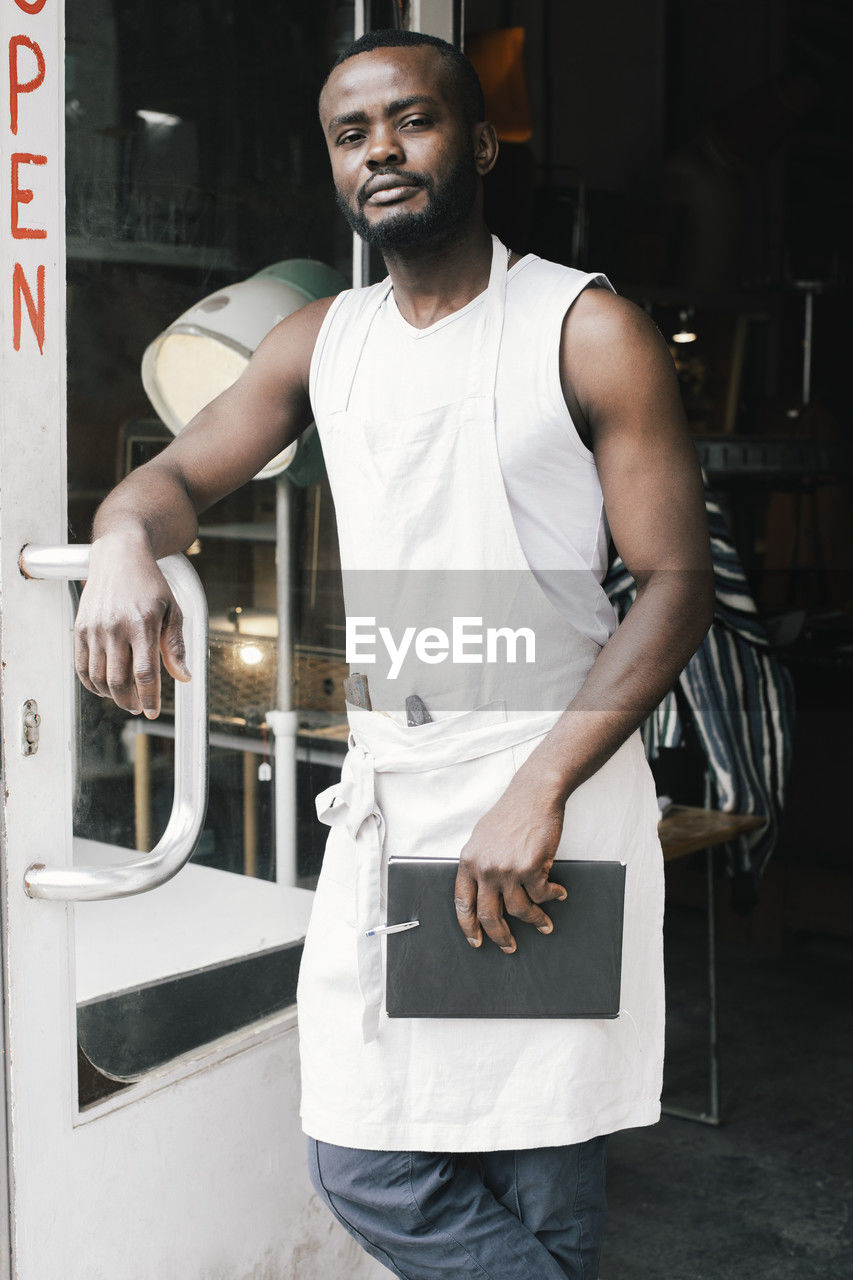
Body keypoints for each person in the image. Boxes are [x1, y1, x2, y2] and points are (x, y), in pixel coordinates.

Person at [74, 28, 714, 1280]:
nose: (381, 151)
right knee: (367, 1154)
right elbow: (171, 476)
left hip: (547, 799)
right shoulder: (321, 338)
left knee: (535, 1160)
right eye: (351, 134)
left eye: (410, 121)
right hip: (398, 793)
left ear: (475, 143)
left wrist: (539, 788)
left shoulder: (583, 328)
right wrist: (119, 545)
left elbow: (677, 585)